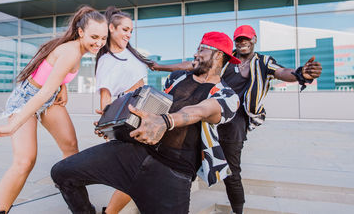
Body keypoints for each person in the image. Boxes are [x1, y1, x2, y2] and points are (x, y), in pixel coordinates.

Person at [51, 31, 241, 214]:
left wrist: (165, 121)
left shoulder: (227, 96)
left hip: (174, 173)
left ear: (217, 55)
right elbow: (152, 108)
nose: (195, 53)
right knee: (62, 173)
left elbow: (199, 111)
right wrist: (114, 120)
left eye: (201, 49)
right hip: (136, 152)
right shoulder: (177, 78)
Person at [151, 25, 323, 214]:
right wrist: (159, 67)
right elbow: (191, 65)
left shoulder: (263, 62)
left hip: (235, 124)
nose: (242, 43)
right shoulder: (224, 58)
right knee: (190, 158)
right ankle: (174, 201)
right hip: (209, 116)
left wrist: (300, 74)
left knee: (232, 172)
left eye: (246, 39)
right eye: (239, 39)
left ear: (254, 40)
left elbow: (282, 72)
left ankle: (237, 210)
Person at [0, 6, 108, 214]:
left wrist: (63, 87)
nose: (99, 43)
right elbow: (41, 94)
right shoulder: (71, 51)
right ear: (81, 32)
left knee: (71, 148)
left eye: (103, 38)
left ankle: (83, 209)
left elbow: (52, 72)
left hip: (48, 98)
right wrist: (12, 126)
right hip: (27, 99)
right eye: (94, 36)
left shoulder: (77, 49)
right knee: (25, 162)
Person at [95, 6, 153, 214]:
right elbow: (105, 95)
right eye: (125, 30)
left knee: (142, 168)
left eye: (131, 31)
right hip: (127, 118)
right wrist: (105, 123)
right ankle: (110, 212)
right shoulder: (106, 60)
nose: (128, 34)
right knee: (136, 171)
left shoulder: (131, 53)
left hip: (145, 114)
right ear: (111, 28)